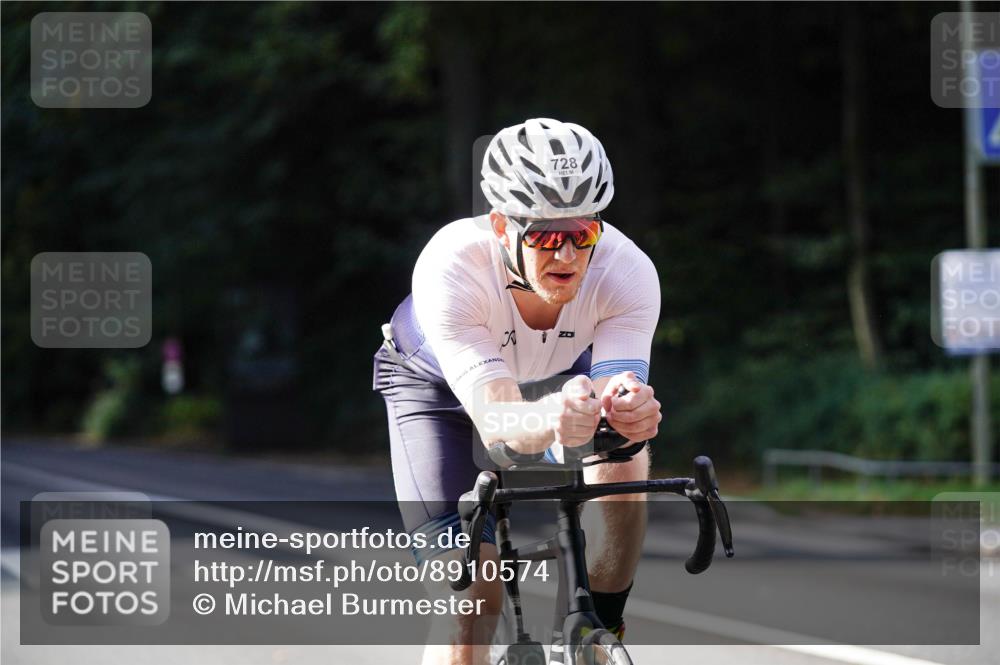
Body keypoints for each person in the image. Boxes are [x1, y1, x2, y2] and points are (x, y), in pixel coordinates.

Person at [373, 118, 662, 665]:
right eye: (547, 237)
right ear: (503, 227)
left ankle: (596, 629)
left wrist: (631, 412)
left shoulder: (628, 272)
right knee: (471, 603)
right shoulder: (451, 265)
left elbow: (617, 394)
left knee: (624, 448)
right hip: (440, 396)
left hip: (553, 381)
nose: (569, 256)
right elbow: (500, 427)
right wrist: (557, 425)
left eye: (583, 234)